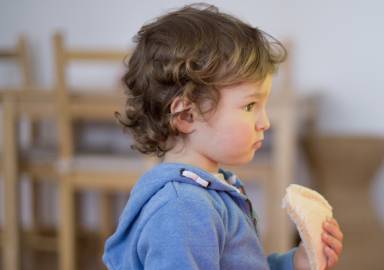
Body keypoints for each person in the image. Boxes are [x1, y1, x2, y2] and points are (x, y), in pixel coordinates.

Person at [102, 3, 343, 269]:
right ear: (186, 116)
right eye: (250, 106)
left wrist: (296, 263)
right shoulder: (183, 209)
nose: (265, 122)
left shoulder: (208, 190)